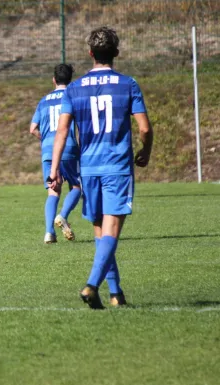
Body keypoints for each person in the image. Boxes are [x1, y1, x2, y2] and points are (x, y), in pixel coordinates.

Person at [49, 27, 153, 309]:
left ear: (90, 53)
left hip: (89, 168)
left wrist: (54, 170)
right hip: (117, 166)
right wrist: (147, 149)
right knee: (112, 229)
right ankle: (91, 285)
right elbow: (144, 127)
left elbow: (61, 132)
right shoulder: (128, 84)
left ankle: (116, 294)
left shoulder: (74, 88)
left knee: (100, 231)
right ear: (116, 53)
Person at [30, 63, 82, 244]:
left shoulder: (43, 100)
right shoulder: (73, 97)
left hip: (48, 152)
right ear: (71, 80)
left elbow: (33, 129)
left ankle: (49, 233)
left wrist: (46, 141)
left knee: (53, 191)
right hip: (68, 148)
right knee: (77, 187)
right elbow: (81, 127)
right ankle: (63, 215)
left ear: (53, 80)